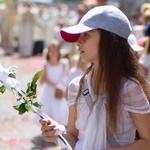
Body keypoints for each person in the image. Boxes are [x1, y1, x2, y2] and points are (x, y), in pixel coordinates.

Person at [40, 5, 150, 150]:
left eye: (86, 34)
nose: (78, 41)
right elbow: (73, 136)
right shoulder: (76, 86)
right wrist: (57, 135)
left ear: (110, 38)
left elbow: (147, 141)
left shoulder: (129, 87)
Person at [37, 39, 69, 126]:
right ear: (48, 52)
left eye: (55, 50)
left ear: (59, 51)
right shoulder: (46, 64)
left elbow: (66, 75)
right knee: (48, 111)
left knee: (60, 110)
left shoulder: (64, 63)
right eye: (51, 50)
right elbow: (43, 79)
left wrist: (61, 84)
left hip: (60, 90)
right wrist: (55, 85)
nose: (53, 53)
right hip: (49, 91)